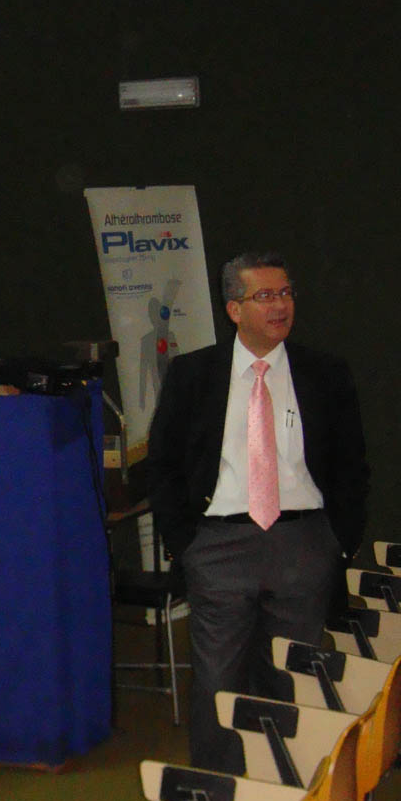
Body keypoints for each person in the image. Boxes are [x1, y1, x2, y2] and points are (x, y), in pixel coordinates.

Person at [147, 251, 369, 774]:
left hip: (302, 543)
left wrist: (339, 540)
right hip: (218, 546)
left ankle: (286, 789)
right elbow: (164, 464)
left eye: (286, 293)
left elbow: (351, 464)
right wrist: (185, 543)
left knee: (292, 676)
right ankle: (220, 793)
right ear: (234, 309)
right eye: (265, 295)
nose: (280, 305)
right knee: (218, 680)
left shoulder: (325, 373)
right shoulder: (193, 374)